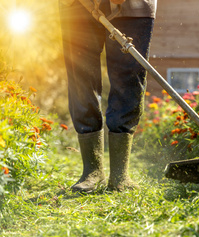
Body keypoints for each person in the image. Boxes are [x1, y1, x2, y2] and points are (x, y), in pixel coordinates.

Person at [59, 0, 157, 192]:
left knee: (128, 77)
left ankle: (120, 174)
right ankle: (92, 171)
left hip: (133, 7)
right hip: (76, 5)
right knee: (81, 77)